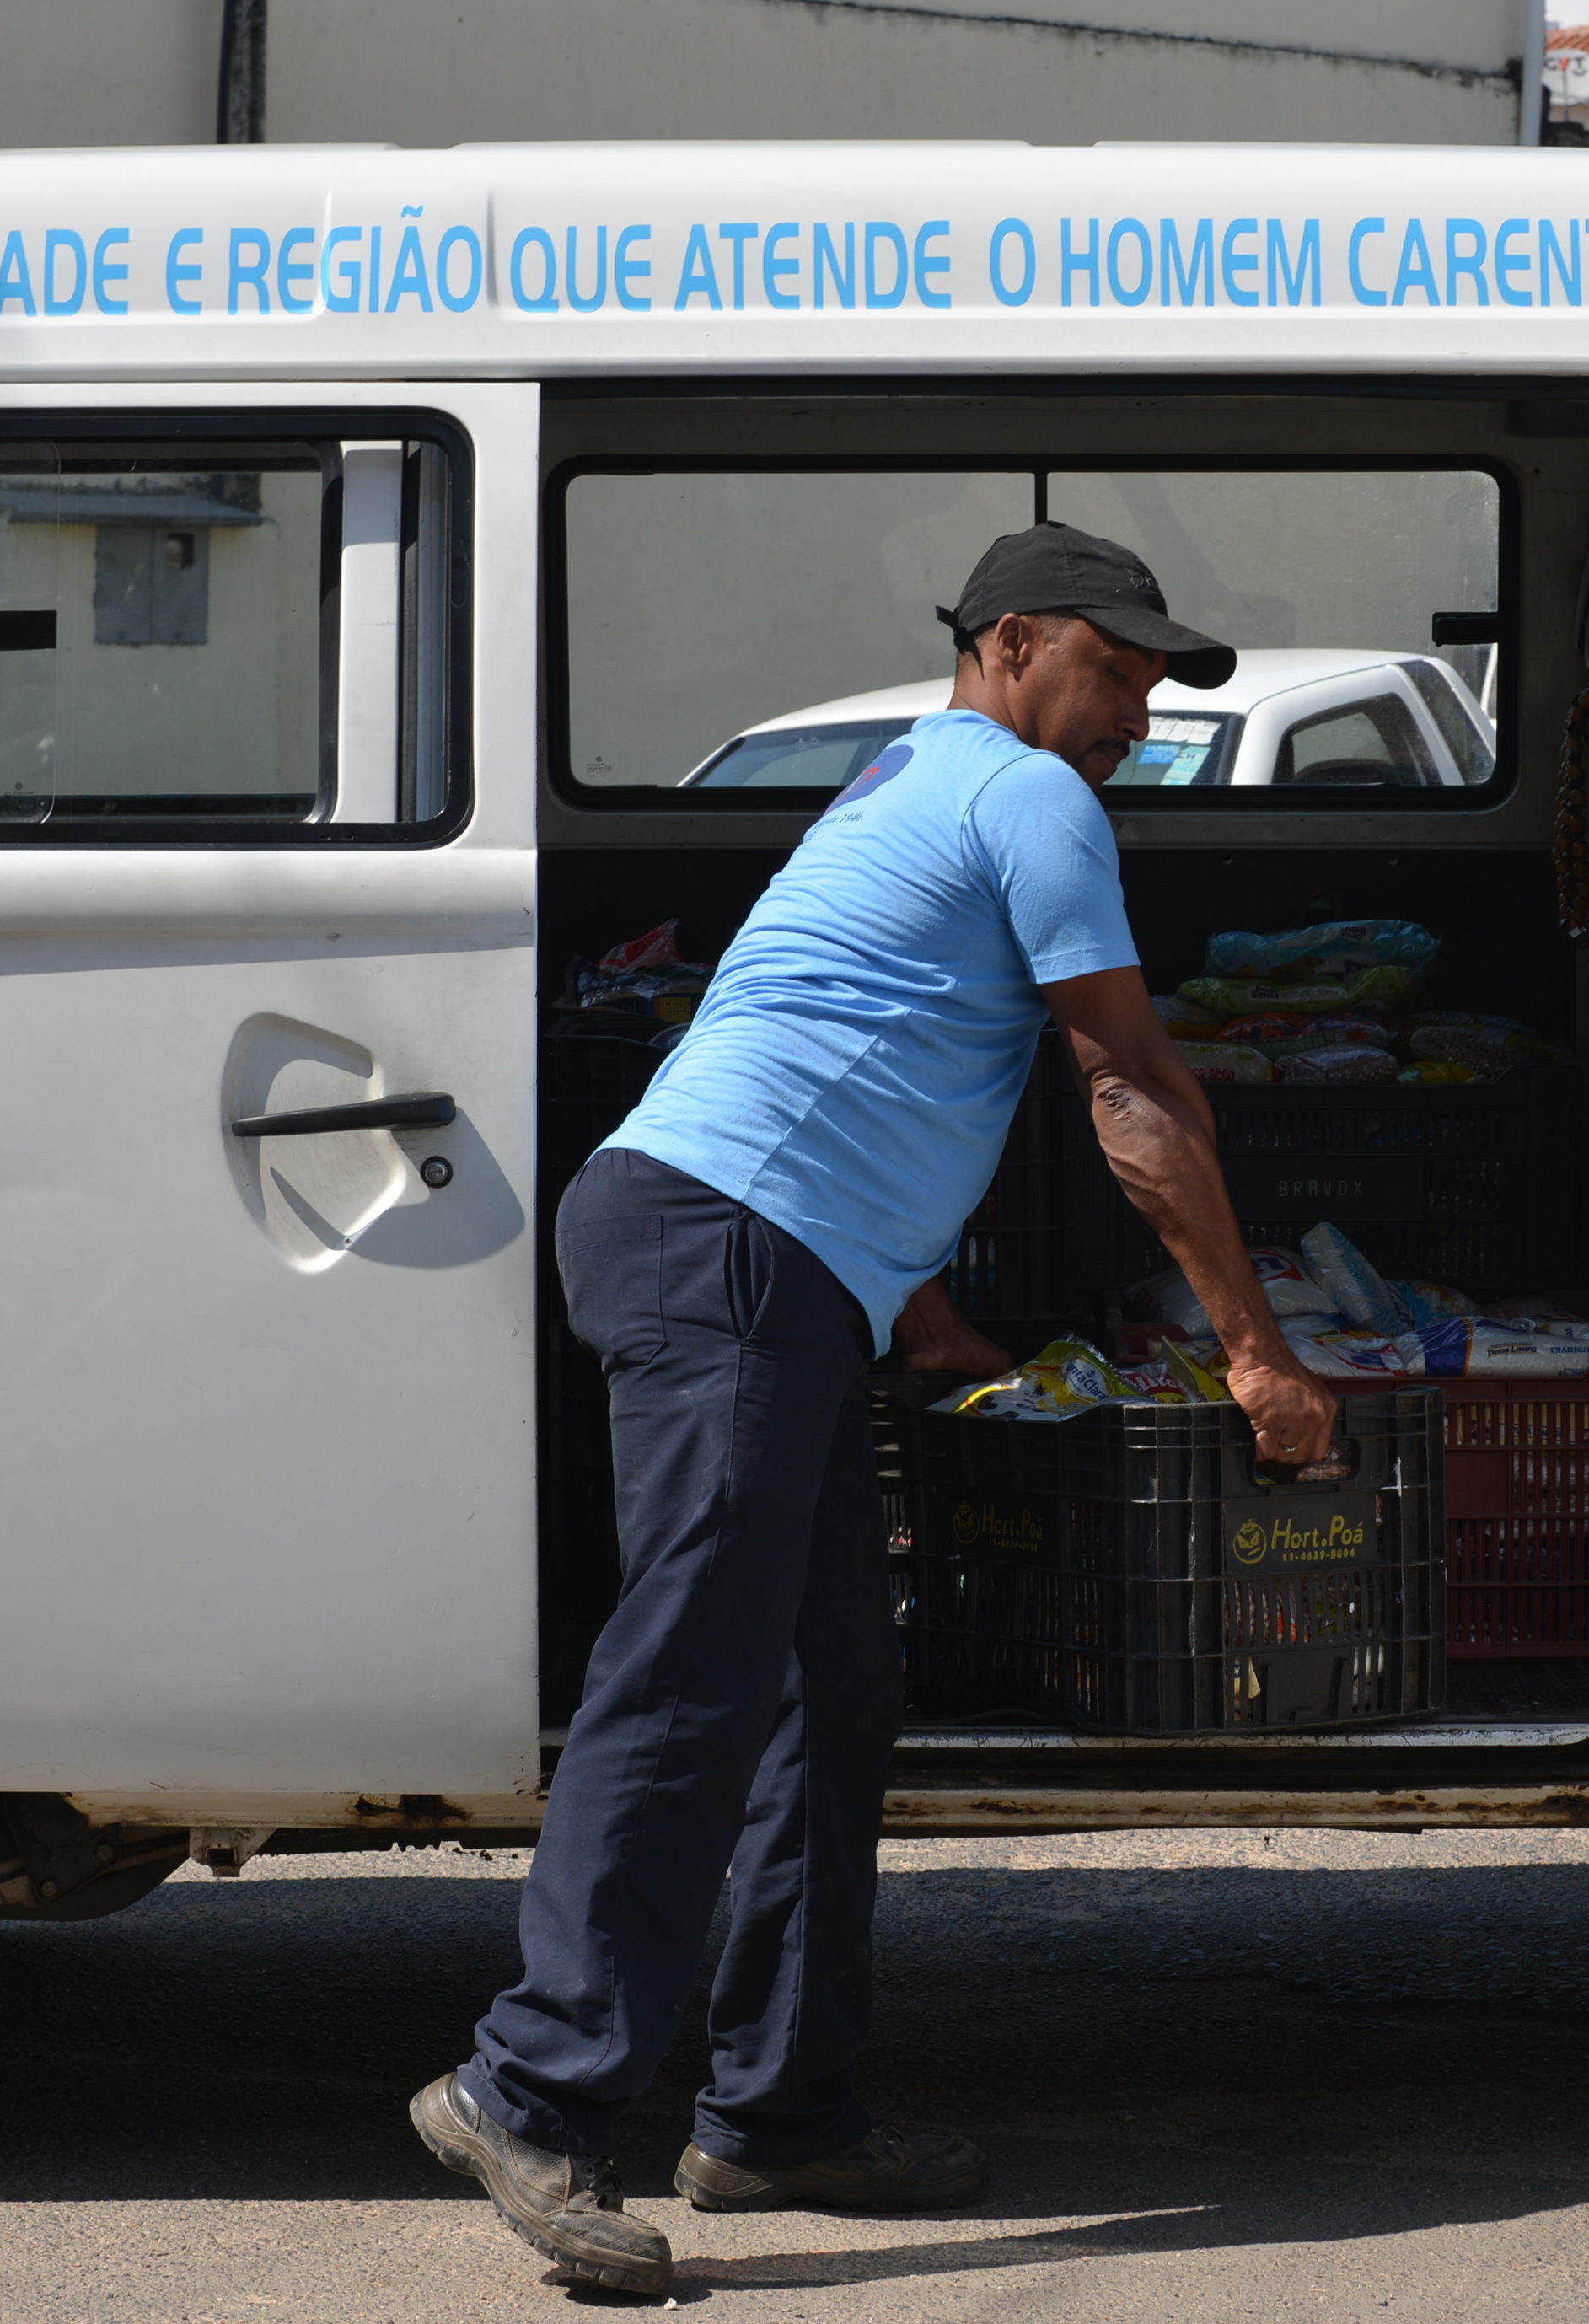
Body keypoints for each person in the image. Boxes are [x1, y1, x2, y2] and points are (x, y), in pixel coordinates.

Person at [411, 521, 1349, 2298]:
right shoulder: (1024, 794)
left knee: (828, 1685)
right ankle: (524, 2083)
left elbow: (851, 1035)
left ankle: (778, 2109)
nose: (1139, 712)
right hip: (728, 1247)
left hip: (760, 1254)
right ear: (1011, 640)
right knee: (690, 1674)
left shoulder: (913, 775)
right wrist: (1257, 1349)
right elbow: (1133, 1091)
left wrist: (915, 1308)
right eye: (1116, 666)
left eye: (1157, 682)